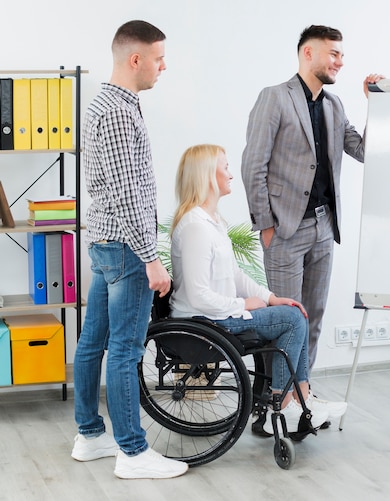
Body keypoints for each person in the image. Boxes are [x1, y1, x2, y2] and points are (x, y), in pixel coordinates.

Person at [71, 20, 188, 479]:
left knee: (92, 343)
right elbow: (126, 193)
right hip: (124, 247)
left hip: (104, 241)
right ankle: (133, 453)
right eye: (159, 58)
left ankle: (89, 435)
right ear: (135, 59)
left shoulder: (106, 102)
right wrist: (151, 257)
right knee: (123, 349)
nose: (164, 66)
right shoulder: (119, 112)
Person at [168, 144, 347, 435]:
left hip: (216, 314)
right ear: (206, 175)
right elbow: (198, 296)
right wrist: (243, 305)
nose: (230, 174)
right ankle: (286, 402)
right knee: (292, 319)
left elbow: (234, 274)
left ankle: (301, 399)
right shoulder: (195, 228)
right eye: (224, 167)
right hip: (205, 321)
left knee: (291, 311)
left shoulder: (211, 222)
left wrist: (270, 298)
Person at [241, 24, 384, 372]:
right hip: (285, 231)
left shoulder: (334, 105)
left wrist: (376, 103)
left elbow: (363, 151)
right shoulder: (274, 97)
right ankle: (275, 401)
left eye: (341, 55)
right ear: (309, 53)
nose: (339, 62)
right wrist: (266, 226)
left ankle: (302, 396)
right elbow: (252, 165)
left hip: (324, 228)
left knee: (313, 318)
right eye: (333, 54)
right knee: (286, 321)